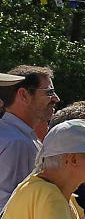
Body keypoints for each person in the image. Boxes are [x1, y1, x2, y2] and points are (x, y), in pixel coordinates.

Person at [0, 66, 55, 208]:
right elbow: (12, 206)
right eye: (49, 92)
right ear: (24, 95)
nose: (56, 98)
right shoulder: (17, 142)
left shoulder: (14, 135)